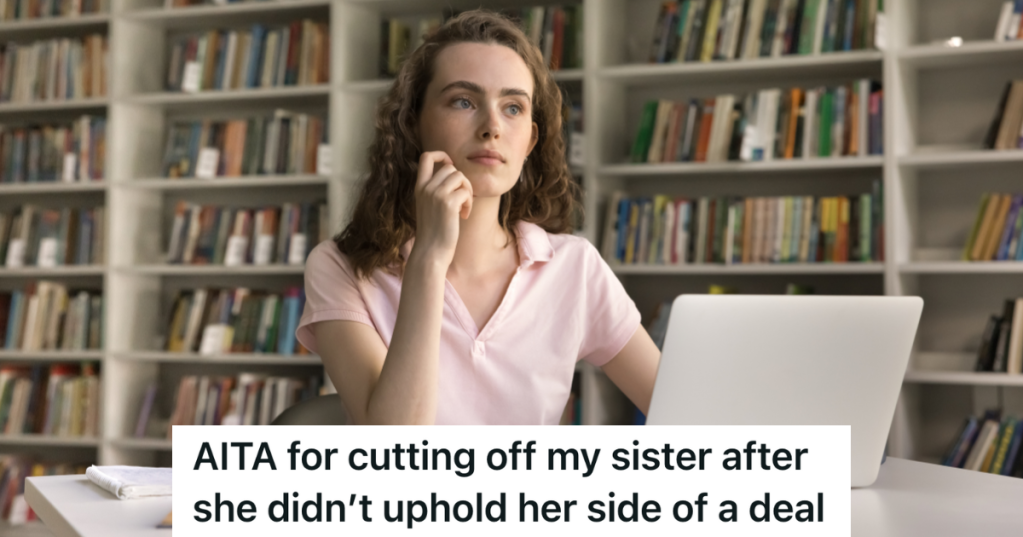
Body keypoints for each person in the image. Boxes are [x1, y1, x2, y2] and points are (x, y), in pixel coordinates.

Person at [295, 10, 661, 425]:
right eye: (463, 101)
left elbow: (687, 413)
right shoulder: (339, 266)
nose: (492, 127)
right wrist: (429, 261)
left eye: (513, 108)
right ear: (413, 124)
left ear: (529, 142)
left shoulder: (574, 267)